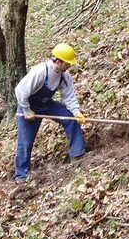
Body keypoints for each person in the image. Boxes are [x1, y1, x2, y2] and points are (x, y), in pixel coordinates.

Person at [14, 43, 87, 182]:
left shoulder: (64, 76)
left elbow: (69, 96)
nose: (70, 66)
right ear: (58, 61)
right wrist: (27, 110)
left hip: (46, 104)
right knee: (25, 142)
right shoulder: (40, 72)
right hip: (28, 106)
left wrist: (76, 112)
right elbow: (20, 91)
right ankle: (21, 176)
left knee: (71, 119)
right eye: (67, 63)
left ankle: (78, 154)